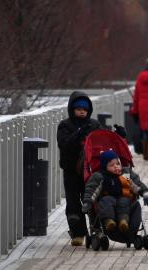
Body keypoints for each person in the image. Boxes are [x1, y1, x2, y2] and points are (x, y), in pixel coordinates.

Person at [57, 91, 100, 246]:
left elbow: (102, 142)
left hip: (89, 170)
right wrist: (79, 134)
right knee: (73, 201)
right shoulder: (65, 126)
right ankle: (77, 233)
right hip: (71, 170)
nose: (82, 111)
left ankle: (95, 229)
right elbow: (64, 144)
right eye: (78, 109)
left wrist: (119, 135)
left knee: (91, 199)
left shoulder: (94, 125)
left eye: (85, 109)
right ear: (72, 109)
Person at [82, 150, 148, 233]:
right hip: (107, 198)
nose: (116, 166)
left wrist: (145, 193)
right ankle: (109, 221)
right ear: (105, 167)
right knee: (105, 202)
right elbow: (92, 189)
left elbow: (137, 184)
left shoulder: (125, 174)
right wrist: (88, 201)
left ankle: (123, 221)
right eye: (111, 165)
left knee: (124, 201)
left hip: (123, 198)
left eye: (117, 164)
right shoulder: (100, 176)